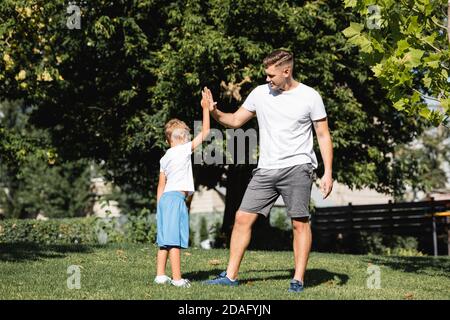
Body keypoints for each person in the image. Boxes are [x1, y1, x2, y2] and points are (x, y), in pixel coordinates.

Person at [203, 49, 333, 292]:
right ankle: (230, 277)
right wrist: (213, 111)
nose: (267, 79)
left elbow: (323, 135)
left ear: (287, 71)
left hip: (297, 166)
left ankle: (298, 279)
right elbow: (234, 121)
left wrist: (328, 173)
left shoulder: (310, 96)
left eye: (272, 74)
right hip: (266, 169)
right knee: (242, 218)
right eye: (266, 74)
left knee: (299, 222)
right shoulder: (260, 94)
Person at [154, 88, 211, 288]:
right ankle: (177, 279)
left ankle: (161, 275)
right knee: (174, 241)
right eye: (187, 134)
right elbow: (205, 132)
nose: (188, 137)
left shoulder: (165, 157)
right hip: (175, 201)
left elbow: (161, 185)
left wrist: (158, 209)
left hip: (165, 201)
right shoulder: (183, 150)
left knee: (164, 239)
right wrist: (205, 108)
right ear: (180, 138)